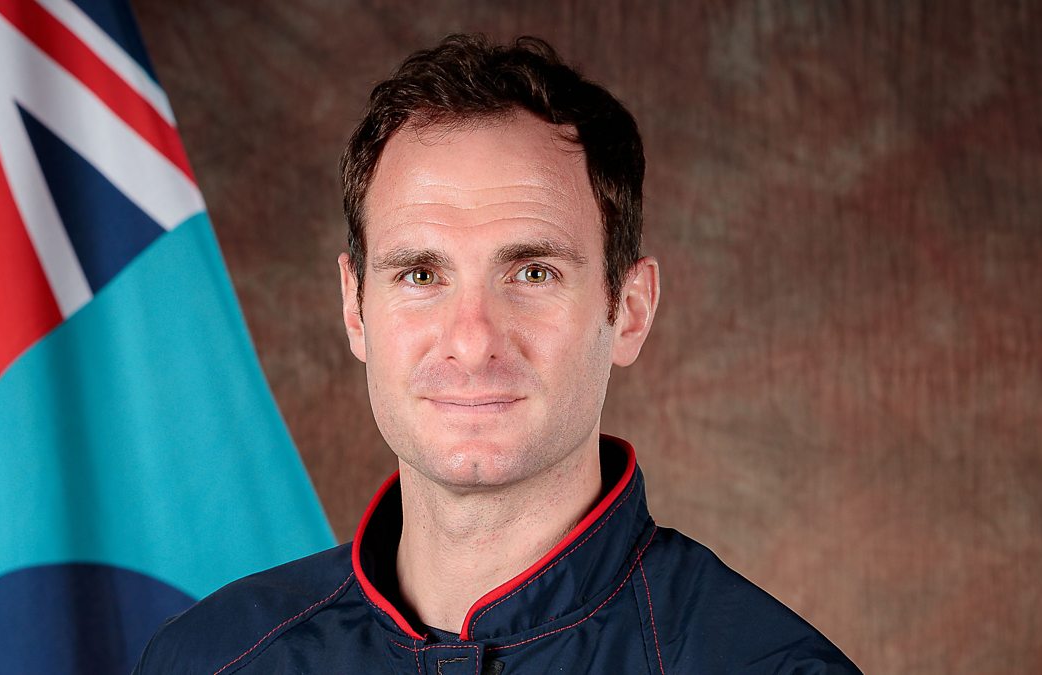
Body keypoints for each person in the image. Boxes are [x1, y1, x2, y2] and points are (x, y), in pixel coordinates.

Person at [135, 34, 859, 674]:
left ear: (630, 309)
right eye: (421, 275)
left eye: (533, 273)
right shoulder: (209, 660)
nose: (473, 340)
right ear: (354, 308)